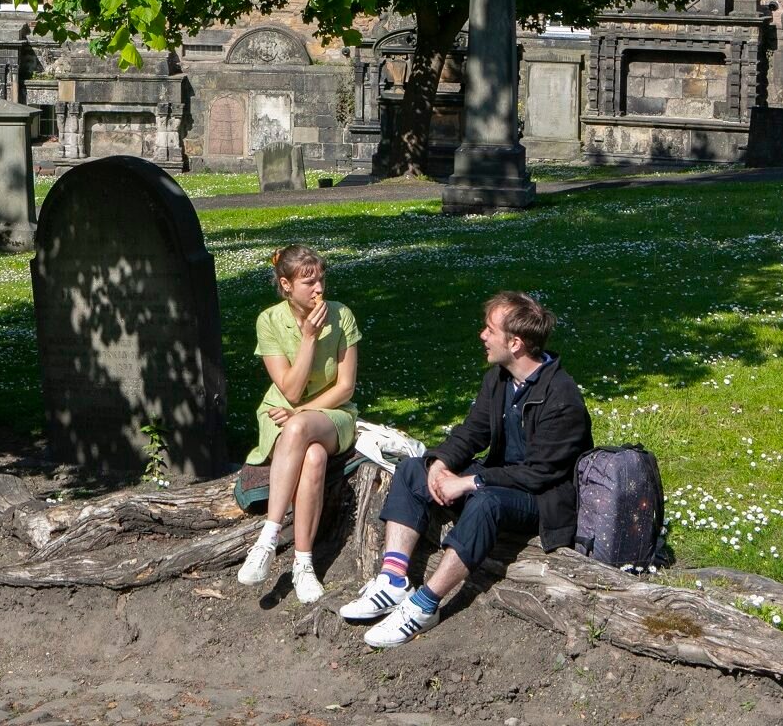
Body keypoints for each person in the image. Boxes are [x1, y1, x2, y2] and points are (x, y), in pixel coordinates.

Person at [341, 291, 590, 647]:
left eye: (490, 330)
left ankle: (424, 606)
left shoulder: (561, 397)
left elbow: (539, 474)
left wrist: (469, 482)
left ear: (516, 343)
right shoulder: (500, 379)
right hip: (500, 480)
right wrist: (440, 464)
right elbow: (473, 431)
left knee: (486, 501)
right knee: (413, 469)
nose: (482, 336)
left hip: (541, 500)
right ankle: (393, 579)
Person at [236, 244, 360, 604]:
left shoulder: (342, 316)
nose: (319, 289)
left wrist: (300, 415)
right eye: (309, 283)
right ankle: (303, 563)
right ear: (286, 285)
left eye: (321, 279)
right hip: (280, 412)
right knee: (314, 459)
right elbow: (288, 390)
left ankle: (267, 537)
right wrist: (307, 337)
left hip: (331, 413)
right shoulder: (269, 321)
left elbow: (345, 386)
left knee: (298, 428)